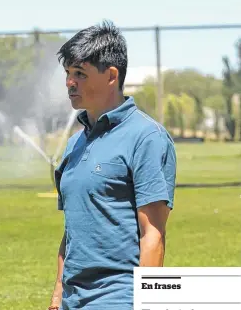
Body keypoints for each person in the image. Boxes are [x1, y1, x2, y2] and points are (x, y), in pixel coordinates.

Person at [48, 21, 177, 310]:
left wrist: (148, 303)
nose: (70, 83)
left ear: (111, 75)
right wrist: (58, 294)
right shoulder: (75, 143)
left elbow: (153, 234)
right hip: (72, 300)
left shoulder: (146, 137)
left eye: (80, 74)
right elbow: (71, 230)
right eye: (68, 74)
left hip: (120, 298)